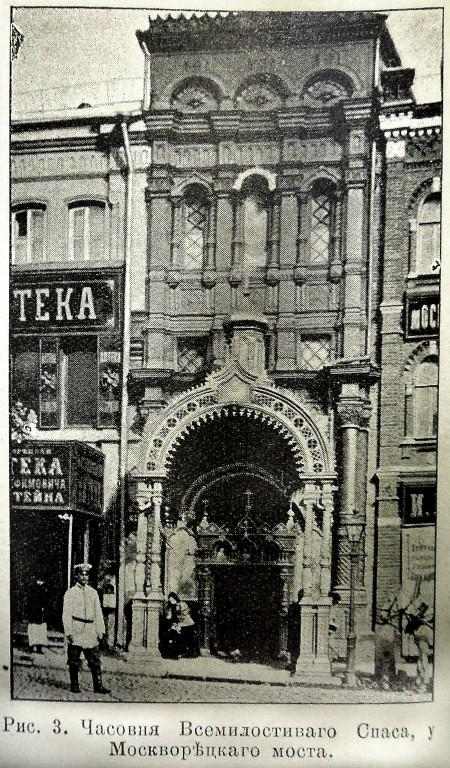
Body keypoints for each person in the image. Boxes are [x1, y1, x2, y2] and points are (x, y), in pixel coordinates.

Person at [62, 563, 110, 694]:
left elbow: (98, 612)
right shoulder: (70, 593)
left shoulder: (93, 593)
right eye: (81, 574)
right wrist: (69, 631)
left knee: (95, 659)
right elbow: (66, 614)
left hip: (90, 629)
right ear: (76, 575)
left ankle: (98, 686)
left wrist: (100, 630)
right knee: (74, 659)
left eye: (86, 574)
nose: (84, 577)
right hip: (76, 628)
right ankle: (75, 685)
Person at [164, 592, 197, 659]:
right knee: (172, 634)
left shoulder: (182, 604)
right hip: (178, 624)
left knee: (183, 636)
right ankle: (174, 653)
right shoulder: (171, 607)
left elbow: (183, 616)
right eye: (170, 600)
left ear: (175, 598)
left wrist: (178, 625)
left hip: (187, 624)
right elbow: (170, 617)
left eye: (172, 599)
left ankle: (187, 652)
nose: (171, 601)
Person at [27, 577, 48, 654]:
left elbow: (46, 601)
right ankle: (31, 647)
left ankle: (39, 648)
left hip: (41, 614)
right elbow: (29, 601)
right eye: (39, 580)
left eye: (41, 581)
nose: (40, 582)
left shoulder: (45, 589)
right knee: (33, 630)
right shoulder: (32, 589)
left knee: (41, 631)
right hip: (33, 613)